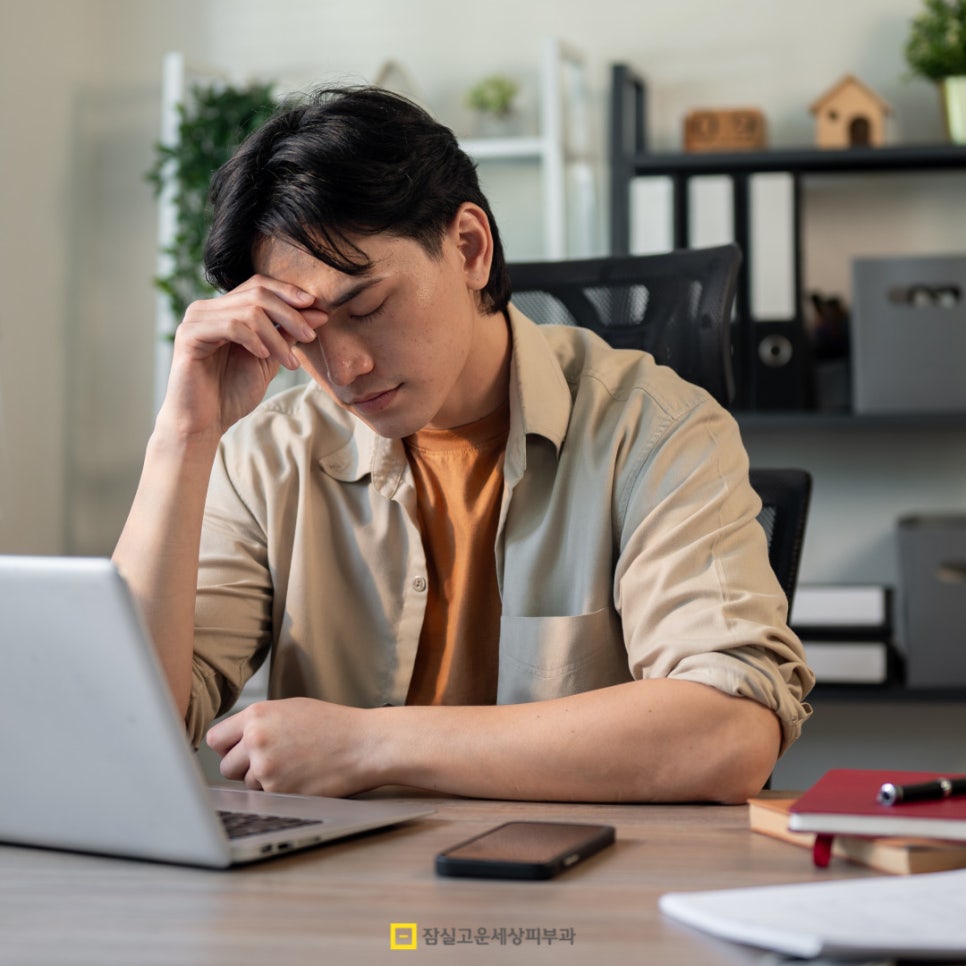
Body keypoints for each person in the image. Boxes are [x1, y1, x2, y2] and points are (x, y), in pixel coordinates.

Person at [114, 86, 812, 804]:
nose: (342, 369)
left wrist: (371, 744)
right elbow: (126, 729)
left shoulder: (655, 429)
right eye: (305, 334)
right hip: (338, 895)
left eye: (367, 307)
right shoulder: (267, 456)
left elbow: (730, 731)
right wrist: (184, 435)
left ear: (470, 247)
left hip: (578, 890)